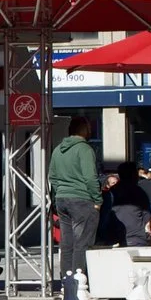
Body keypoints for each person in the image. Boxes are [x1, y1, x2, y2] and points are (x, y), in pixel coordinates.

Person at [47, 115, 102, 278]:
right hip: (82, 199)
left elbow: (52, 176)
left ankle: (66, 279)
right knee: (82, 242)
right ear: (84, 129)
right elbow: (90, 177)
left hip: (62, 200)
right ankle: (79, 281)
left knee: (67, 243)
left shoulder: (58, 149)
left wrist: (61, 191)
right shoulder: (84, 149)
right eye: (89, 127)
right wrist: (97, 199)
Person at [103, 162, 151, 247]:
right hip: (136, 239)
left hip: (113, 239)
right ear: (133, 175)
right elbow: (147, 218)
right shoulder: (139, 192)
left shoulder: (110, 193)